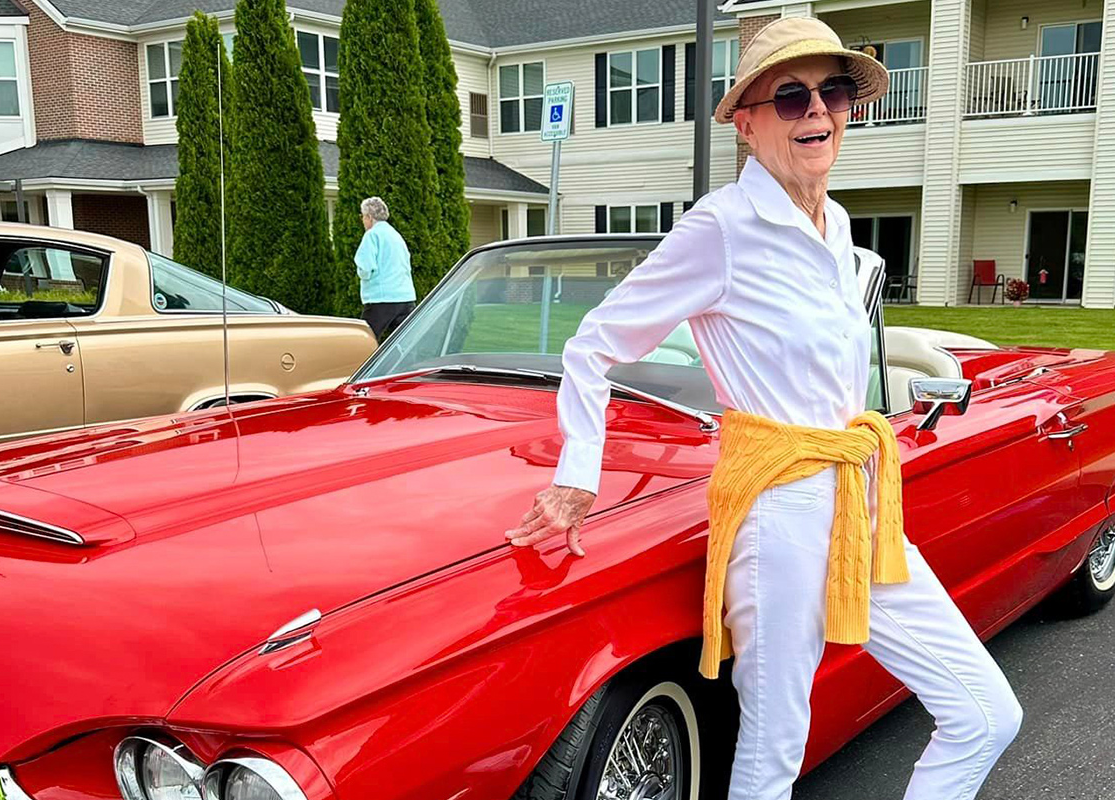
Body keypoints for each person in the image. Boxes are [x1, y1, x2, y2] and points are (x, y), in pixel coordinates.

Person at [504, 17, 1022, 800]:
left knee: (985, 711)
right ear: (747, 124)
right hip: (777, 512)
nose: (817, 111)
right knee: (775, 748)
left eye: (833, 91)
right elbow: (593, 343)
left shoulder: (839, 226)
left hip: (858, 506)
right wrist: (580, 476)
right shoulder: (721, 227)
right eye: (790, 96)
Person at [354, 196, 416, 341]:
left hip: (381, 299)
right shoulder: (396, 235)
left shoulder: (372, 235)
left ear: (369, 217)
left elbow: (365, 268)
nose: (363, 220)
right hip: (405, 298)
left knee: (365, 341)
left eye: (362, 216)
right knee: (404, 344)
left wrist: (362, 275)